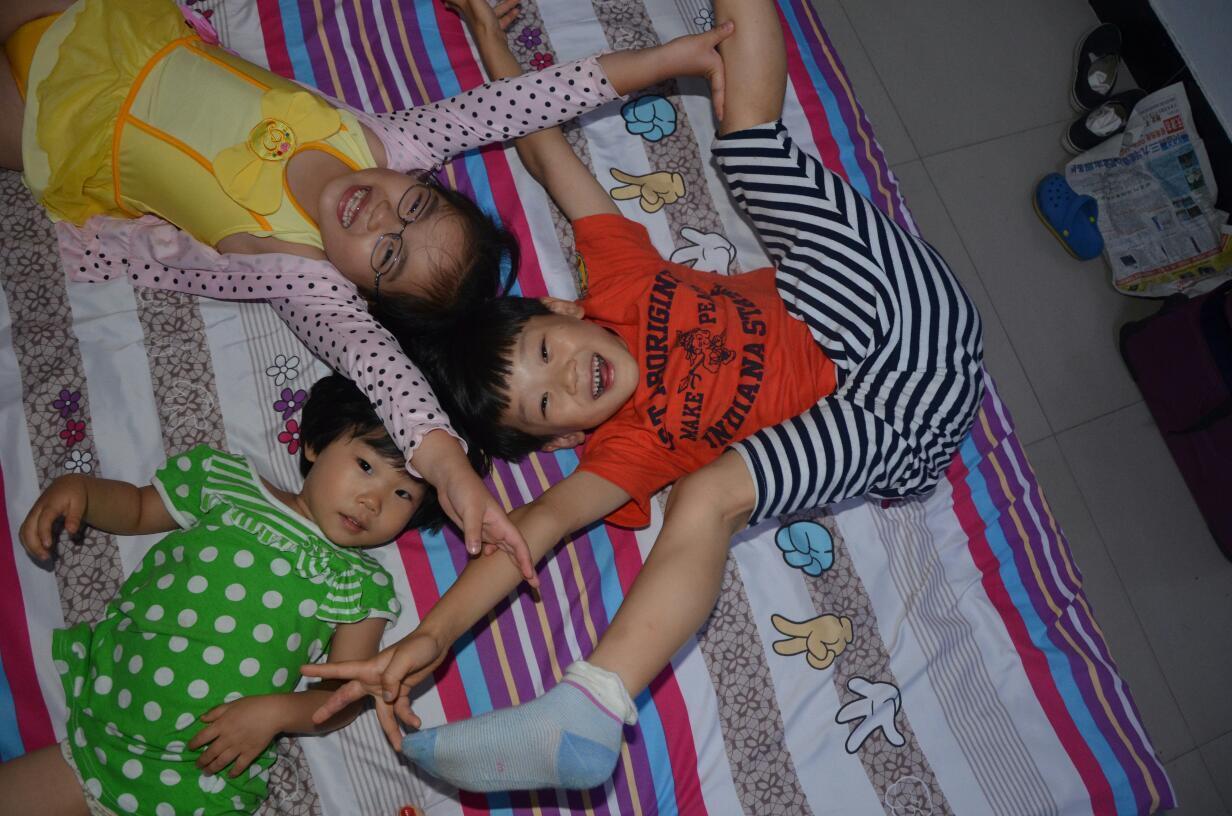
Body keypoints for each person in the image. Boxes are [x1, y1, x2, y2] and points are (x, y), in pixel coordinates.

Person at [305, 0, 984, 794]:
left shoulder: (621, 281)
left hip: (883, 296)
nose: (567, 378)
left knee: (748, 141)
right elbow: (534, 526)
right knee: (705, 496)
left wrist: (490, 37)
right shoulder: (628, 449)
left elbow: (546, 152)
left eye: (548, 352)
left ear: (563, 310)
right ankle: (590, 705)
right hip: (893, 414)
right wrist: (433, 636)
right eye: (549, 405)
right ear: (565, 441)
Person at [0, 0, 734, 582]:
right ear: (421, 181)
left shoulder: (299, 271)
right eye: (413, 206)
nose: (382, 216)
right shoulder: (388, 144)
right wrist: (668, 60)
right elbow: (518, 103)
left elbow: (380, 369)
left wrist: (450, 470)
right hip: (123, 26)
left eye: (386, 254)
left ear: (360, 292)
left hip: (62, 131)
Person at [0, 373, 444, 815]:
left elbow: (343, 696)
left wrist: (276, 712)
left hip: (198, 782)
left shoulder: (360, 584)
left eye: (402, 493)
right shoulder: (227, 481)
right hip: (103, 734)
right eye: (365, 466)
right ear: (315, 443)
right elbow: (136, 509)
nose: (373, 501)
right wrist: (80, 491)